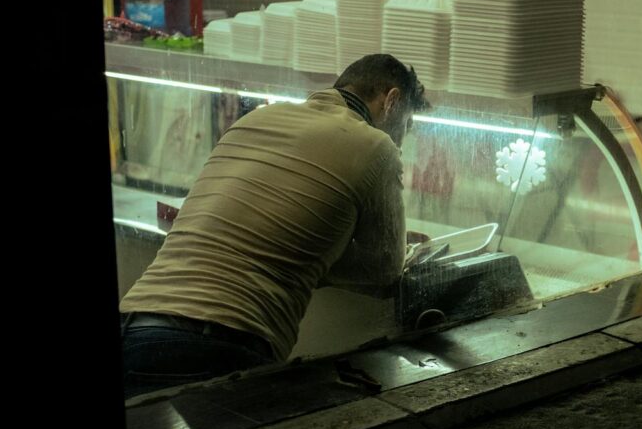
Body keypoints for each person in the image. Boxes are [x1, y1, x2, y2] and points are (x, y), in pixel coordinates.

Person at [119, 53, 430, 399]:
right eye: (407, 125)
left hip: (135, 323)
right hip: (223, 342)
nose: (402, 139)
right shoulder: (377, 146)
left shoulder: (256, 119)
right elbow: (384, 266)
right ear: (392, 101)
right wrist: (307, 256)